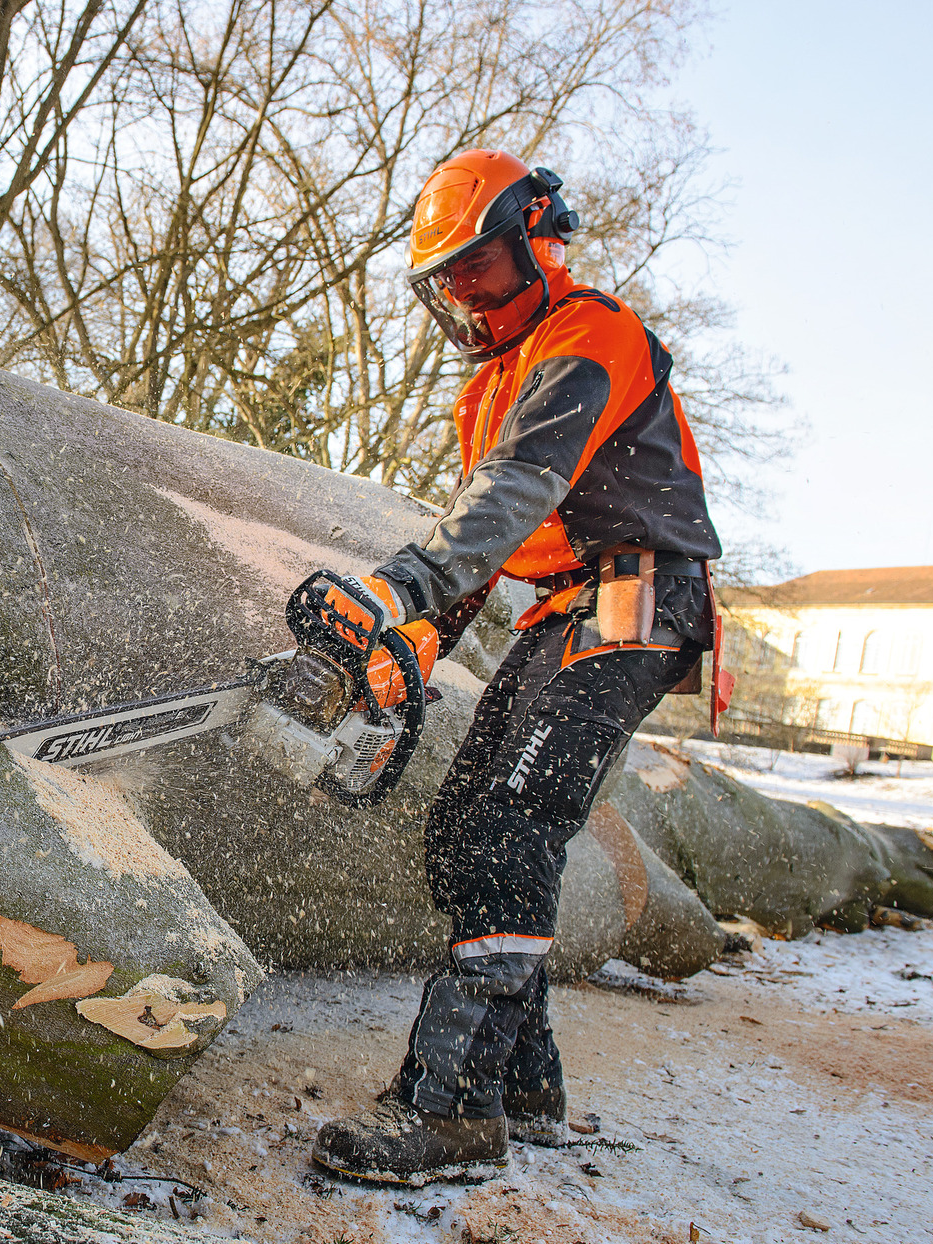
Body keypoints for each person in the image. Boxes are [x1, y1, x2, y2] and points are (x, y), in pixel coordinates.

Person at [306, 149, 723, 1185]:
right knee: (463, 829)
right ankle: (524, 1086)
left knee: (508, 825)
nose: (464, 293)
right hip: (562, 606)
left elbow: (517, 490)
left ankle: (450, 1109)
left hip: (632, 595)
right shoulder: (485, 387)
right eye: (447, 278)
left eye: (479, 267)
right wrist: (419, 634)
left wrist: (397, 584)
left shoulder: (591, 334)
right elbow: (482, 541)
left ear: (538, 236)